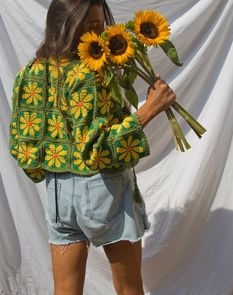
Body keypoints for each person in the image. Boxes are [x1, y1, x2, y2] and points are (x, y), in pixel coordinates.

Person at [8, 0, 176, 294]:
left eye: (100, 27)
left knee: (65, 290)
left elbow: (22, 144)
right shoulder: (87, 74)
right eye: (92, 28)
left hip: (59, 196)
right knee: (130, 290)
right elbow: (98, 149)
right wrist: (149, 109)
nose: (98, 36)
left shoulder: (30, 73)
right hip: (104, 191)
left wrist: (54, 168)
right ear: (69, 28)